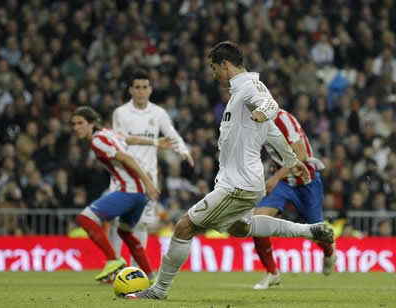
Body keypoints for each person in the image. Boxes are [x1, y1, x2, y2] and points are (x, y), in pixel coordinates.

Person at [125, 41, 334, 300]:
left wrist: (263, 113)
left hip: (238, 185)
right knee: (240, 229)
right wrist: (290, 160)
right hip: (243, 182)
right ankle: (308, 230)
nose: (213, 74)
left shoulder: (249, 87)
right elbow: (273, 132)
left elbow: (270, 107)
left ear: (225, 65)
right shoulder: (240, 94)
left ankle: (159, 290)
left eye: (214, 67)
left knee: (184, 227)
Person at [72, 106, 174, 283]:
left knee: (85, 219)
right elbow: (129, 139)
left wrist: (148, 182)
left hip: (130, 190)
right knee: (125, 232)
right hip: (140, 193)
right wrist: (155, 142)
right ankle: (151, 277)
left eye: (81, 123)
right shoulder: (108, 133)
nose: (76, 127)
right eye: (74, 124)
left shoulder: (97, 140)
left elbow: (127, 158)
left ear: (91, 123)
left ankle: (113, 260)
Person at [108, 69, 194, 268]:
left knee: (142, 223)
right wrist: (155, 142)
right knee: (116, 221)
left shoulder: (158, 113)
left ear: (150, 89)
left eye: (144, 87)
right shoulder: (121, 113)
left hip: (148, 177)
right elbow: (119, 140)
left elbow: (171, 134)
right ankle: (114, 266)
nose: (141, 91)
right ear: (130, 90)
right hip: (123, 174)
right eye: (137, 87)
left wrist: (183, 150)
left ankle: (135, 269)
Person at [252, 109, 335, 290]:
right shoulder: (253, 122)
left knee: (317, 232)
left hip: (306, 181)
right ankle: (272, 273)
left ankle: (329, 251)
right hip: (283, 182)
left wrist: (273, 179)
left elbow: (301, 155)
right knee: (257, 221)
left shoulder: (284, 120)